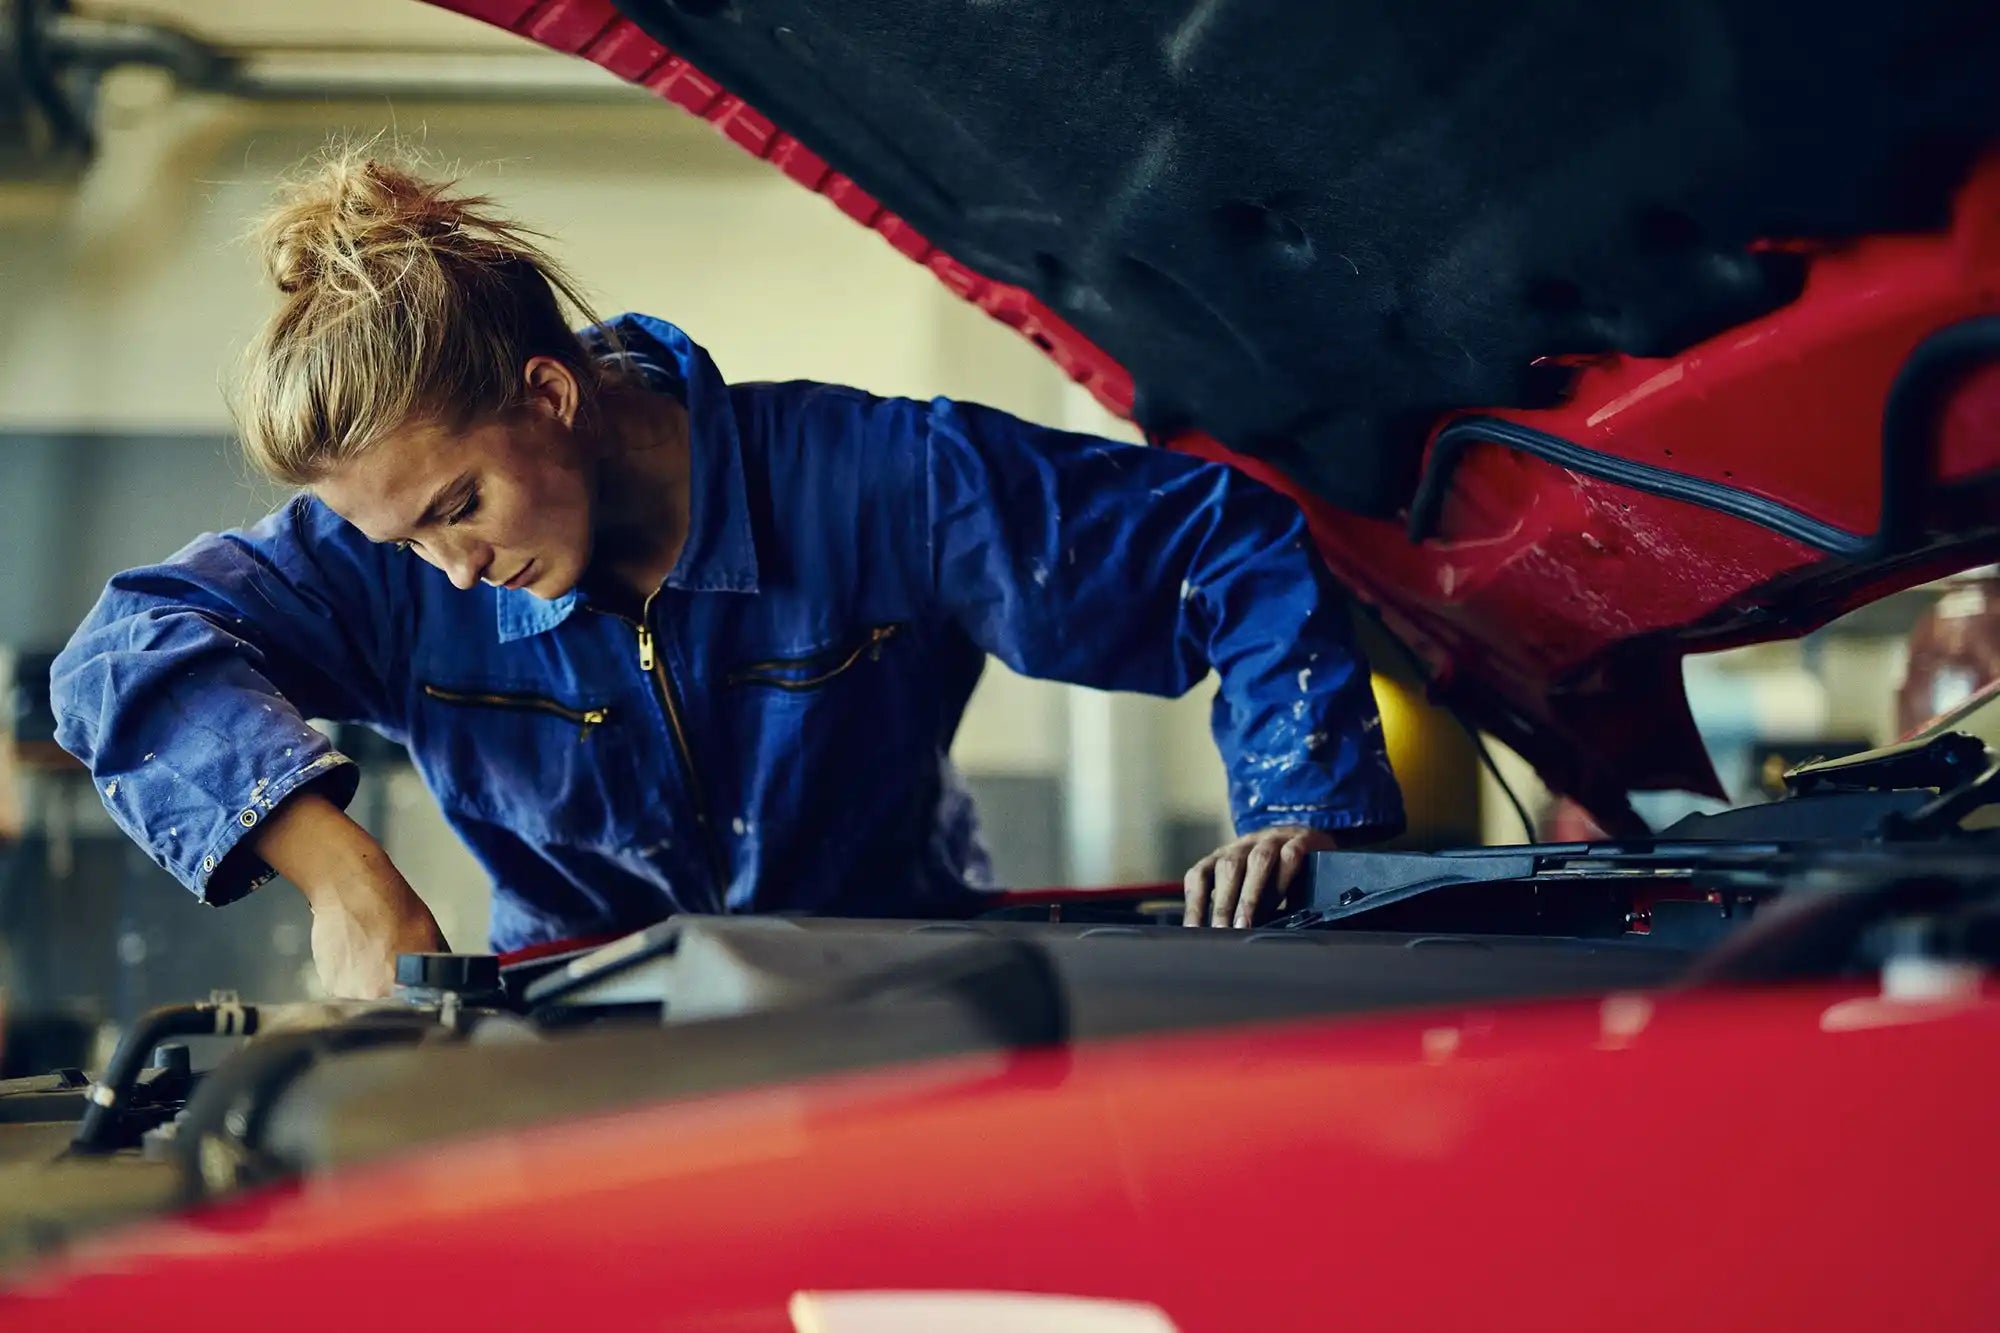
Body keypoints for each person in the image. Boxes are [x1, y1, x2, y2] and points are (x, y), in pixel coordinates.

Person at [51, 148, 1403, 998]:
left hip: (903, 1016)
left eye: (460, 505)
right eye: (406, 540)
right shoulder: (390, 568)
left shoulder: (884, 483)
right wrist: (352, 881)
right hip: (579, 1050)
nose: (451, 574)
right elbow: (124, 652)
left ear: (548, 392)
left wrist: (1303, 798)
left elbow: (1221, 539)